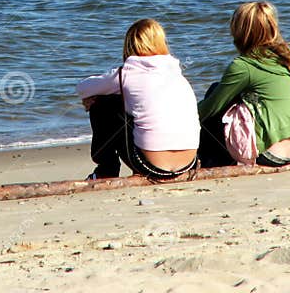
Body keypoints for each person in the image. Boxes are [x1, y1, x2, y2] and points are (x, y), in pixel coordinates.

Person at [199, 1, 290, 167]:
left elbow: (208, 109)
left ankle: (213, 164)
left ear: (239, 31)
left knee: (216, 93)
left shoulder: (244, 66)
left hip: (271, 153)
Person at [77, 18, 200, 180]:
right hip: (188, 163)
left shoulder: (126, 74)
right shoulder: (176, 73)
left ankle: (106, 169)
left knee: (102, 104)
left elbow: (82, 88)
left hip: (151, 166)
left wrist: (96, 98)